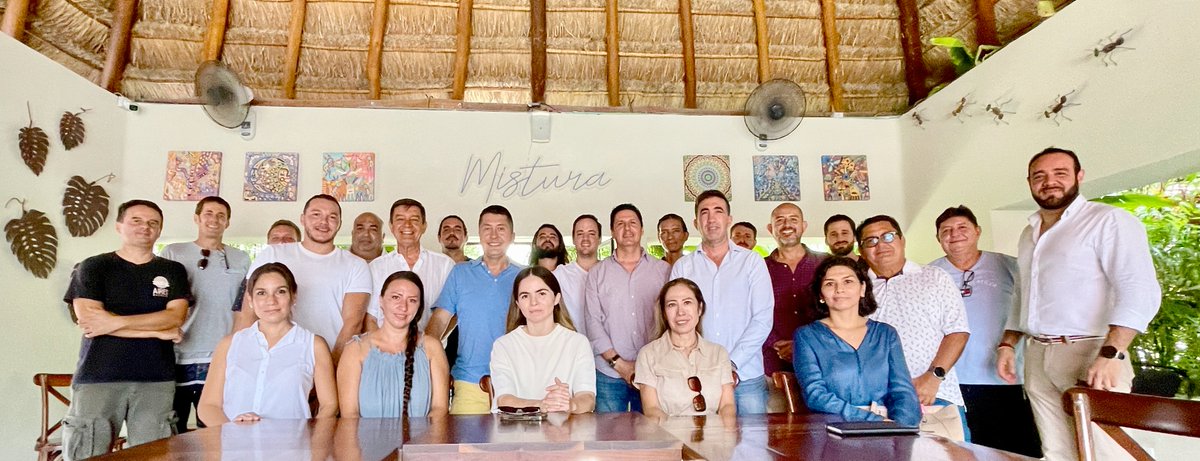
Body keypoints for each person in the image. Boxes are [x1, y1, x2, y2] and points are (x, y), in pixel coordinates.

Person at [998, 148, 1161, 461]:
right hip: (1037, 355)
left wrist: (1113, 352)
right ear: (1030, 183)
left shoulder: (1107, 221)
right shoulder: (1029, 233)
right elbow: (1023, 293)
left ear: (1079, 176)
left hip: (1089, 351)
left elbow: (1139, 288)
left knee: (1107, 450)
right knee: (1057, 451)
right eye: (1040, 176)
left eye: (1060, 173)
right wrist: (1008, 344)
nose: (1049, 182)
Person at [63, 200, 190, 460]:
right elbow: (89, 321)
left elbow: (175, 317)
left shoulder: (172, 270)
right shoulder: (93, 267)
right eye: (137, 221)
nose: (145, 227)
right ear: (119, 226)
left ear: (159, 230)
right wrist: (155, 331)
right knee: (88, 453)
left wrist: (113, 322)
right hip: (98, 377)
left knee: (154, 455)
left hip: (156, 379)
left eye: (153, 223)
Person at [929, 205, 1041, 457]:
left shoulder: (1008, 266)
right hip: (952, 382)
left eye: (962, 228)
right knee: (962, 451)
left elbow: (1028, 310)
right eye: (946, 231)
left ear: (977, 231)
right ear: (939, 239)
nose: (954, 234)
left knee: (1015, 451)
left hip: (1004, 379)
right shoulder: (930, 274)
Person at [858, 215, 971, 438]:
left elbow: (957, 331)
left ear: (902, 240)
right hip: (876, 401)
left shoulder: (934, 277)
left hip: (933, 394)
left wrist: (933, 377)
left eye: (887, 236)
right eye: (870, 241)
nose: (880, 244)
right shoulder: (857, 287)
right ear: (861, 251)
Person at [670, 190, 773, 414]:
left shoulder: (751, 262)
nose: (711, 218)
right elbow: (677, 321)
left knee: (752, 446)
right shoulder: (684, 267)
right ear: (696, 222)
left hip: (745, 377)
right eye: (704, 213)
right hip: (698, 378)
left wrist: (732, 365)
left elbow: (763, 318)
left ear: (729, 219)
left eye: (718, 211)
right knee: (703, 445)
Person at [198, 263, 338, 424]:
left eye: (281, 291)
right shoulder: (230, 344)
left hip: (293, 445)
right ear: (250, 300)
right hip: (236, 446)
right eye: (261, 293)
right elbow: (208, 406)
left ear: (294, 296)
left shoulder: (313, 345)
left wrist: (311, 440)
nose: (271, 301)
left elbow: (330, 405)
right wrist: (232, 432)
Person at [240, 194, 372, 363]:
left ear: (339, 223)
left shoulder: (356, 265)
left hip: (332, 360)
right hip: (273, 361)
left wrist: (329, 368)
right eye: (316, 215)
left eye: (332, 217)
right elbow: (248, 312)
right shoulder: (272, 254)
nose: (323, 222)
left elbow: (352, 324)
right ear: (302, 219)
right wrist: (244, 358)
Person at [792, 257, 921, 426]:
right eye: (830, 284)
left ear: (862, 288)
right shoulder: (807, 336)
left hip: (888, 430)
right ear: (820, 294)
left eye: (848, 281)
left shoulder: (885, 334)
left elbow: (903, 391)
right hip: (832, 430)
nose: (839, 289)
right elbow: (816, 395)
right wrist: (875, 422)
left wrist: (902, 428)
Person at [160, 196, 251, 433]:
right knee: (172, 431)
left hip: (220, 357)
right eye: (209, 214)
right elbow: (159, 300)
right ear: (197, 218)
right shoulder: (173, 252)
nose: (215, 220)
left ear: (227, 223)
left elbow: (244, 306)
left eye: (221, 216)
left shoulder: (242, 259)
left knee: (215, 432)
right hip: (178, 355)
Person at [425, 205, 522, 415]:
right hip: (468, 382)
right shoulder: (460, 274)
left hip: (519, 382)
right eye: (487, 228)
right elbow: (438, 322)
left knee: (517, 447)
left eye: (501, 229)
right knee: (464, 447)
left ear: (512, 236)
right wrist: (430, 363)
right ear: (479, 234)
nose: (493, 235)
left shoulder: (526, 276)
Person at [585, 204, 670, 413]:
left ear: (642, 230)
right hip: (609, 374)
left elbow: (673, 319)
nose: (627, 228)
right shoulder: (597, 273)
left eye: (633, 223)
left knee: (655, 438)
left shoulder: (663, 270)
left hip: (655, 371)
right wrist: (619, 363)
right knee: (609, 441)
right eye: (620, 224)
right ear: (613, 232)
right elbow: (593, 322)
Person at [338, 271, 450, 417]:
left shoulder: (432, 348)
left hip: (422, 439)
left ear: (419, 307)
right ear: (381, 301)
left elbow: (440, 409)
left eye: (412, 300)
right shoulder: (355, 349)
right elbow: (350, 415)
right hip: (367, 439)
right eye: (396, 297)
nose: (403, 307)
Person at [490, 267, 596, 413]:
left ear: (556, 298)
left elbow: (587, 398)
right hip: (517, 431)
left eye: (541, 294)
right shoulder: (503, 345)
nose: (534, 302)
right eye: (525, 296)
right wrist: (543, 404)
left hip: (565, 431)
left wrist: (570, 405)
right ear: (518, 304)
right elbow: (504, 399)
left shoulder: (578, 343)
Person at [635, 278, 735, 418]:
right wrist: (676, 439)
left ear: (699, 308)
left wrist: (726, 436)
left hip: (715, 436)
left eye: (687, 303)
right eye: (671, 305)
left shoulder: (719, 353)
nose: (680, 312)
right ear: (664, 312)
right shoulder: (648, 354)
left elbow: (727, 406)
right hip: (669, 436)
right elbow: (652, 410)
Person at [762, 203, 826, 412]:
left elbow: (839, 310)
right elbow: (750, 312)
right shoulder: (758, 268)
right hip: (774, 368)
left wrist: (802, 346)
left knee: (823, 435)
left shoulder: (826, 264)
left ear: (804, 226)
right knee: (778, 437)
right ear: (770, 229)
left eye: (793, 219)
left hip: (823, 367)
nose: (786, 225)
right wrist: (777, 343)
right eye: (779, 220)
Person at [367, 199, 455, 331]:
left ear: (424, 226)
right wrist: (380, 350)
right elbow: (371, 318)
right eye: (400, 219)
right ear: (391, 226)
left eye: (414, 219)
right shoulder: (376, 267)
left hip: (431, 350)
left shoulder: (445, 265)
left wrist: (431, 343)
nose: (407, 225)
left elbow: (455, 314)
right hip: (385, 350)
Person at [553, 214, 601, 338]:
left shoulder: (611, 273)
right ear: (573, 239)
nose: (585, 238)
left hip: (608, 353)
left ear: (599, 239)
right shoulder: (560, 275)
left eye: (591, 233)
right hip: (571, 350)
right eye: (580, 233)